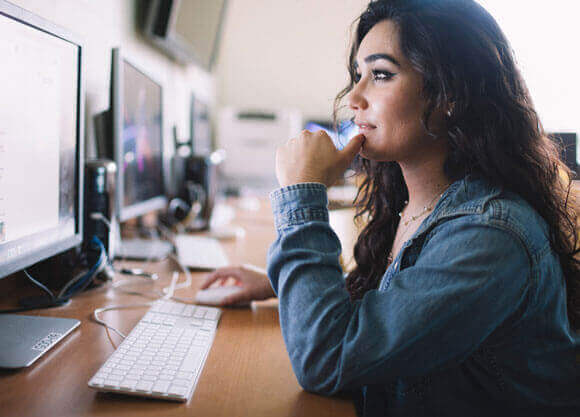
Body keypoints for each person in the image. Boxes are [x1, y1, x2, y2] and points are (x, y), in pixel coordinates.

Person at [202, 0, 580, 415]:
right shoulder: (421, 202)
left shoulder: (490, 236)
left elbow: (326, 359)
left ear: (449, 94)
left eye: (381, 75)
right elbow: (404, 297)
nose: (354, 96)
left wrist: (303, 191)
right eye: (357, 75)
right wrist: (283, 284)